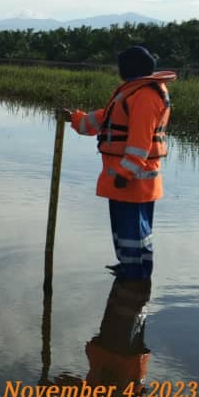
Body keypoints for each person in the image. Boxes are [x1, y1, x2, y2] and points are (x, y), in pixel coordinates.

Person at [63, 46, 177, 279]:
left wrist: (126, 173)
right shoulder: (133, 93)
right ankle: (128, 267)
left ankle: (135, 276)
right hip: (126, 178)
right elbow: (104, 119)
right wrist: (75, 119)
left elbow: (140, 142)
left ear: (127, 69)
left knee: (134, 229)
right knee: (127, 229)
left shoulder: (145, 96)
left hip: (134, 179)